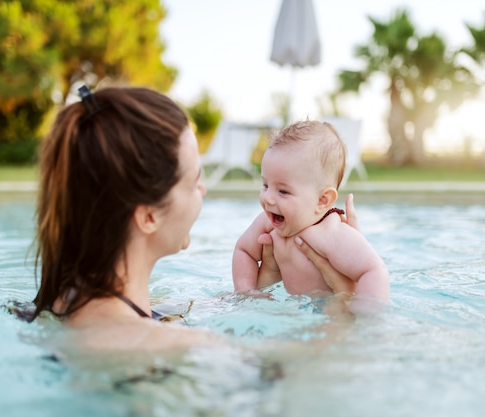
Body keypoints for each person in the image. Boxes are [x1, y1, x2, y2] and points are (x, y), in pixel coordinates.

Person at [28, 85, 361, 352]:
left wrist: (261, 286)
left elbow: (204, 311)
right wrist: (344, 306)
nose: (203, 189)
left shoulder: (69, 302)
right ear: (147, 217)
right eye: (194, 181)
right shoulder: (165, 346)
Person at [232, 120, 390, 302]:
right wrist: (246, 291)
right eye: (266, 185)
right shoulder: (267, 224)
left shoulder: (331, 233)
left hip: (328, 313)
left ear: (322, 200)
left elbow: (374, 270)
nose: (268, 198)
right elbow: (243, 250)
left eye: (283, 191)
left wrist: (366, 313)